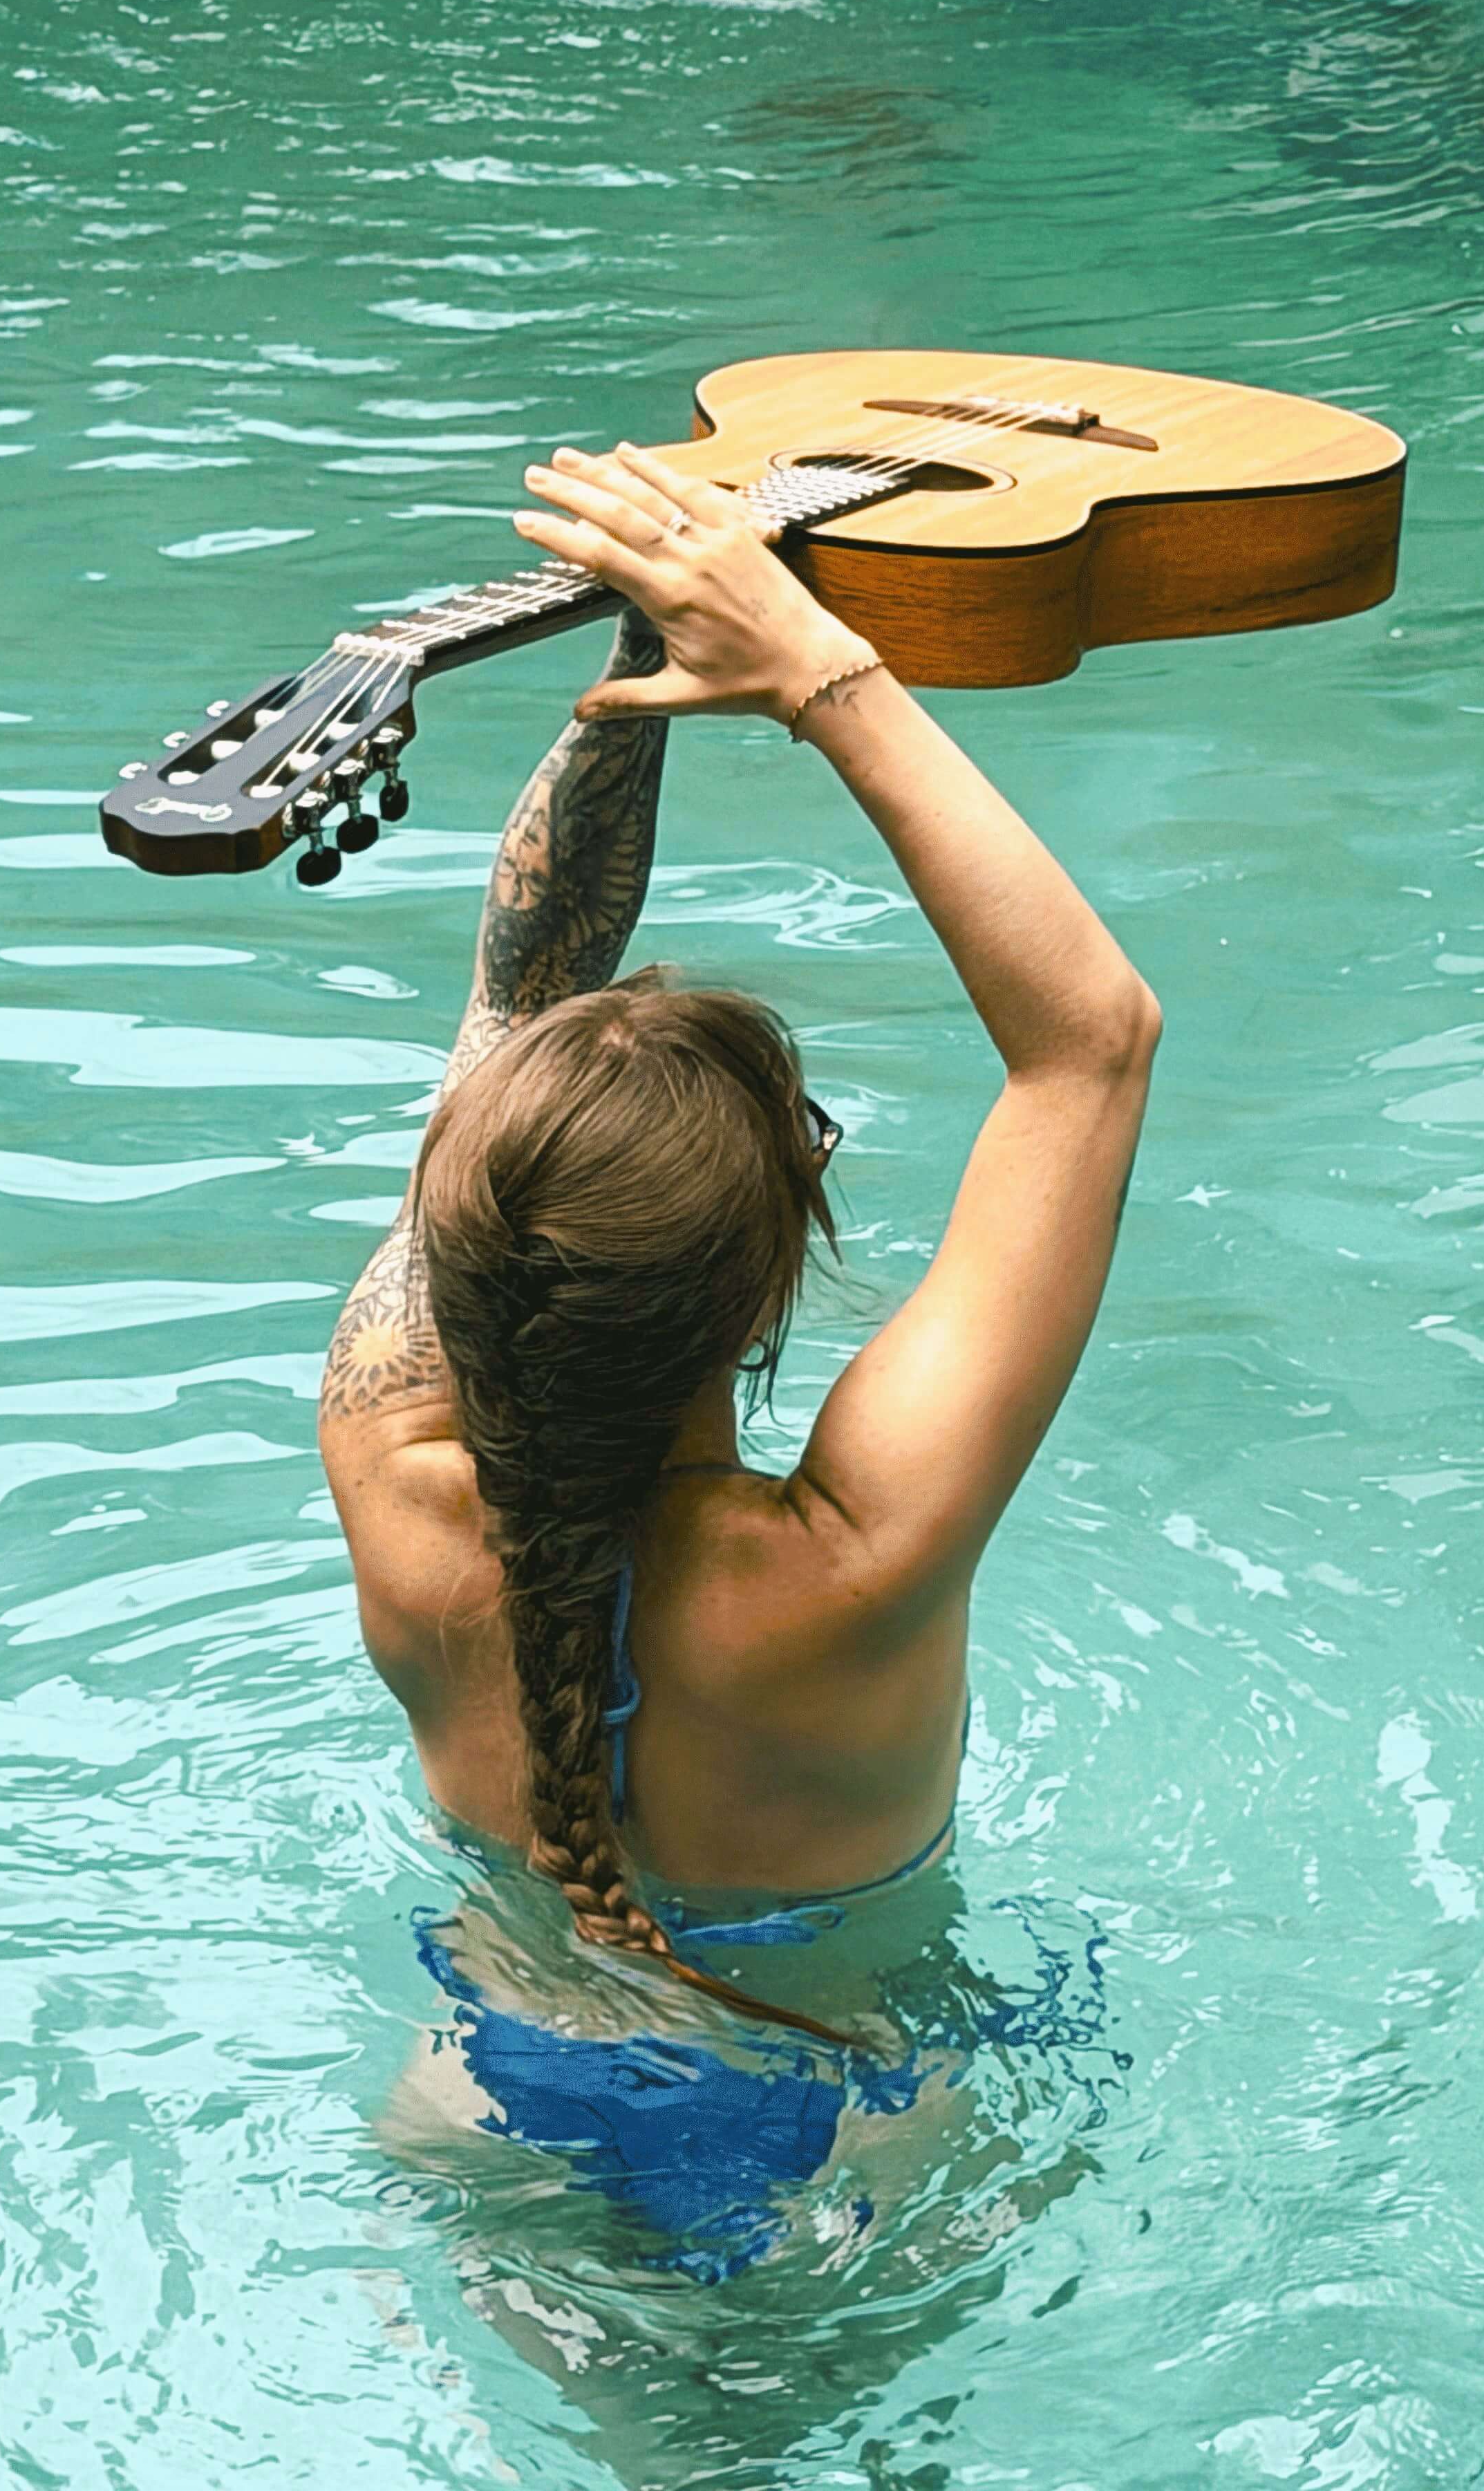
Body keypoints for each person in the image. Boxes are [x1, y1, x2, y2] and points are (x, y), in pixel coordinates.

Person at [319, 438, 1158, 2279]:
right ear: (767, 1291)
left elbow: (521, 1003)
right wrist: (808, 669)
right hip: (838, 2129)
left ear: (452, 1258)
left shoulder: (387, 1471)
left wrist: (645, 661)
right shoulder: (852, 1566)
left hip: (480, 2091)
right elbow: (1088, 1042)